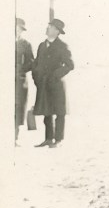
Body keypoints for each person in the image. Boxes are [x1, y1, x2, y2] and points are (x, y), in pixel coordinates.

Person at [33, 18, 73, 148]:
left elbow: (70, 65)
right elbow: (37, 63)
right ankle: (48, 139)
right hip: (43, 83)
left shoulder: (62, 46)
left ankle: (59, 140)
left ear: (56, 31)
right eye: (48, 26)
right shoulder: (41, 45)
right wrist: (36, 77)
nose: (47, 28)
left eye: (50, 27)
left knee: (59, 112)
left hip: (56, 84)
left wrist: (56, 75)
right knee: (47, 112)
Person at [15, 17, 34, 144]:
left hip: (19, 81)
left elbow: (31, 62)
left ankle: (14, 138)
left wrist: (20, 69)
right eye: (16, 28)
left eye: (20, 29)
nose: (17, 31)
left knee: (18, 108)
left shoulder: (25, 44)